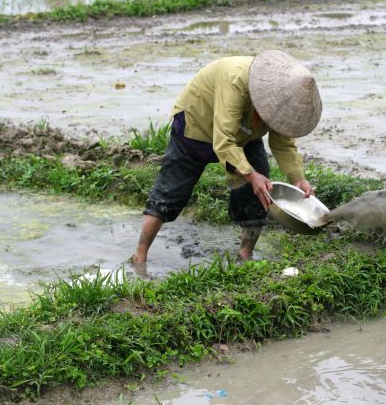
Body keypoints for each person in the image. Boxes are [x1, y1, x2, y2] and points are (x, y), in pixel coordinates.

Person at [131, 50, 322, 264]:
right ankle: (140, 256)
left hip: (245, 133)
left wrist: (298, 179)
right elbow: (223, 141)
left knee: (259, 192)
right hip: (198, 124)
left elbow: (283, 144)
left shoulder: (282, 102)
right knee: (170, 190)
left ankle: (245, 255)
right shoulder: (236, 81)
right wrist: (250, 175)